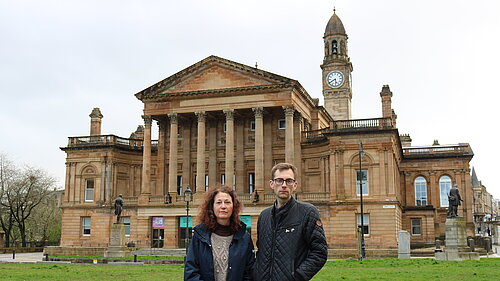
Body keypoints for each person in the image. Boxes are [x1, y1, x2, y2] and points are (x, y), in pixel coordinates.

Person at [254, 163, 328, 281]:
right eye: (279, 180)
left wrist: (298, 277)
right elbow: (261, 251)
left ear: (295, 185)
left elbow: (320, 252)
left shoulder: (308, 212)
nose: (284, 185)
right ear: (271, 184)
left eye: (288, 181)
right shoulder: (264, 216)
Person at [185, 185, 255, 281]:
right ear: (212, 207)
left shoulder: (244, 237)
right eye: (218, 202)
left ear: (234, 206)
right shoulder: (200, 235)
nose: (223, 206)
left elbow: (249, 273)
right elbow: (191, 272)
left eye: (227, 202)